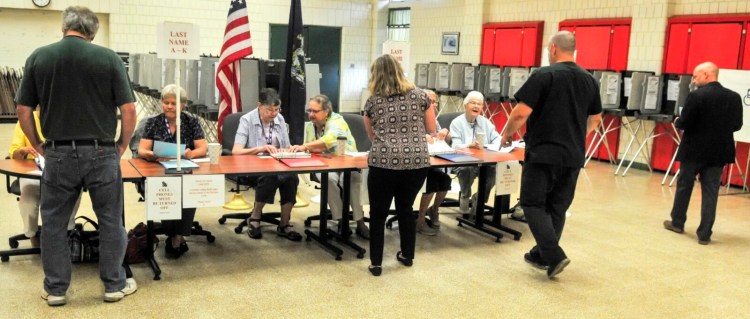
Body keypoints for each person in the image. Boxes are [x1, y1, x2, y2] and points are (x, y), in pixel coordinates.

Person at [15, 6, 137, 306]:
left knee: (54, 223)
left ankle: (56, 290)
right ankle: (113, 285)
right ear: (92, 32)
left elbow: (22, 109)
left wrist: (39, 144)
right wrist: (121, 144)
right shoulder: (108, 58)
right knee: (110, 221)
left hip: (57, 153)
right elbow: (129, 109)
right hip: (102, 152)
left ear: (64, 26)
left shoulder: (39, 57)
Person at [500, 31, 602, 279]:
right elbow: (596, 120)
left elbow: (520, 113)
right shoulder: (589, 80)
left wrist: (505, 134)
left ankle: (554, 256)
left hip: (544, 152)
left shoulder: (544, 75)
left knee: (532, 203)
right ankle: (541, 254)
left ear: (554, 48)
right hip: (573, 155)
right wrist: (577, 138)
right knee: (558, 206)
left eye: (548, 48)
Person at [363, 54, 435, 276]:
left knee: (378, 213)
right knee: (406, 208)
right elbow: (431, 128)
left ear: (376, 75)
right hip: (416, 161)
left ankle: (376, 263)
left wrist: (390, 141)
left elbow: (370, 134)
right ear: (401, 70)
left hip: (383, 162)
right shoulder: (421, 96)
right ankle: (407, 255)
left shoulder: (373, 101)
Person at [663, 62, 743, 245]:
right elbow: (737, 125)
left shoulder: (696, 96)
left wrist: (677, 121)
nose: (694, 80)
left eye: (696, 76)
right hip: (719, 152)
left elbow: (685, 122)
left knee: (684, 186)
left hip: (693, 150)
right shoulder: (734, 97)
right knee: (711, 191)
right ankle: (705, 233)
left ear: (707, 74)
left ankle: (677, 222)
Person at [138, 84, 207, 258]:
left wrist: (191, 153)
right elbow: (142, 149)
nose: (169, 106)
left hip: (184, 167)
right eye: (166, 102)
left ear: (183, 105)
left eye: (174, 103)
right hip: (158, 169)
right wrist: (150, 154)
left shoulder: (192, 121)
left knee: (189, 187)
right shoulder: (153, 122)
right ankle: (172, 234)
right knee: (166, 189)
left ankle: (178, 235)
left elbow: (202, 148)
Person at [288, 94, 370, 239]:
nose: (311, 115)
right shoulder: (309, 126)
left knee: (351, 180)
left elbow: (330, 140)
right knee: (329, 180)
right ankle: (340, 220)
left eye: (315, 111)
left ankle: (360, 222)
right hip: (323, 164)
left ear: (326, 112)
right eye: (309, 111)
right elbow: (313, 150)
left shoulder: (337, 121)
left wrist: (306, 146)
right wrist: (309, 148)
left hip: (347, 161)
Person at [232, 88, 302, 242]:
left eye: (277, 109)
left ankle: (284, 224)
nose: (273, 113)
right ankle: (255, 217)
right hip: (253, 166)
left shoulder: (280, 119)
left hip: (277, 163)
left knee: (291, 178)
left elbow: (286, 145)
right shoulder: (247, 120)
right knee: (270, 177)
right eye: (269, 109)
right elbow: (236, 151)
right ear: (259, 105)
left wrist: (291, 149)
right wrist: (260, 149)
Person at [8, 109, 82, 248]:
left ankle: (67, 230)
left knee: (75, 190)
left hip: (61, 168)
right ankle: (32, 234)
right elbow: (14, 154)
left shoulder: (66, 120)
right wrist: (22, 152)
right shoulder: (26, 121)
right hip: (32, 170)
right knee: (29, 199)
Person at [449, 91, 500, 216]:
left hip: (484, 160)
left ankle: (479, 198)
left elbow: (497, 139)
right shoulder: (457, 123)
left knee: (494, 171)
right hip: (463, 159)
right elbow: (455, 146)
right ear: (465, 105)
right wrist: (468, 146)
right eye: (473, 103)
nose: (476, 106)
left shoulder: (485, 122)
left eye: (479, 104)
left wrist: (488, 147)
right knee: (467, 169)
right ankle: (465, 196)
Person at [417, 89, 451, 236]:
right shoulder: (412, 118)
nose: (434, 104)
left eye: (435, 101)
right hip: (413, 163)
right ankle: (420, 221)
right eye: (431, 101)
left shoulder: (434, 120)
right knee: (431, 183)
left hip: (432, 161)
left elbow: (443, 142)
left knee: (445, 180)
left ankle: (434, 210)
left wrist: (446, 135)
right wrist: (421, 137)